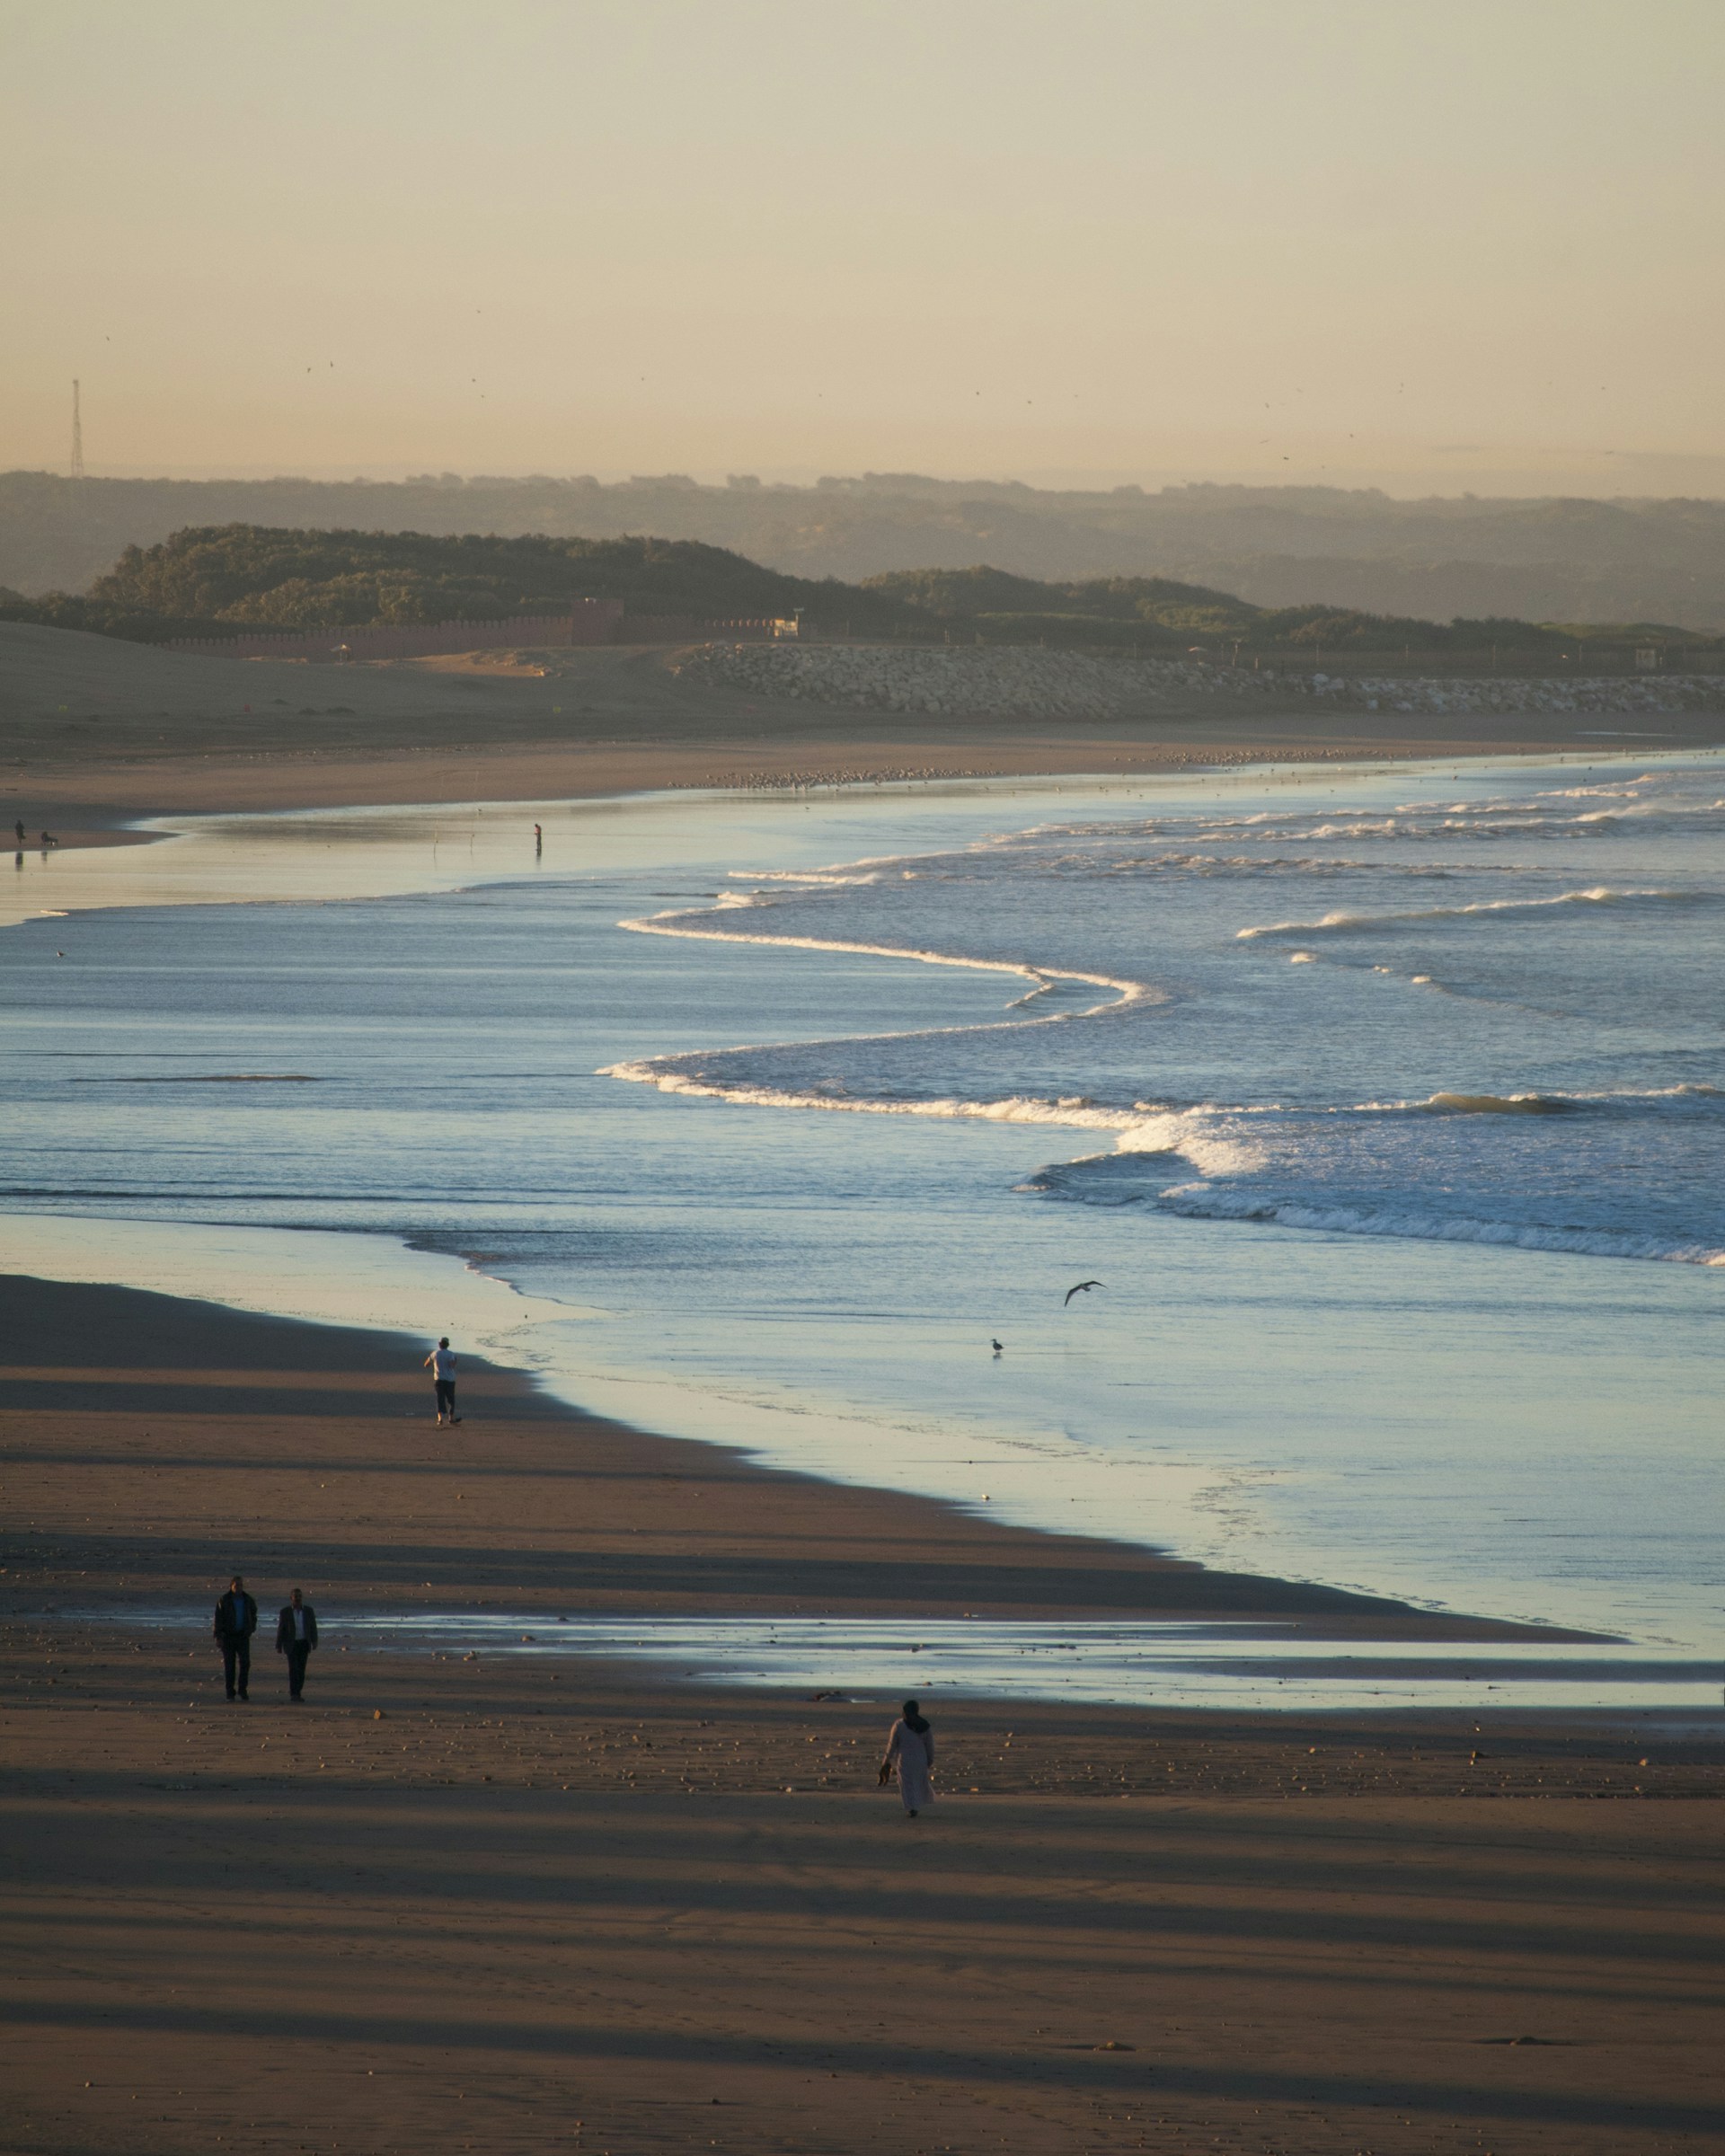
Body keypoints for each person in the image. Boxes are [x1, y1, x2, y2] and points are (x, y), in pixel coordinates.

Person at [880, 1698, 935, 1816]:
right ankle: (914, 1806)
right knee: (917, 1784)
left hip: (904, 1761)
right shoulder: (925, 1725)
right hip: (921, 1760)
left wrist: (885, 1761)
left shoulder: (899, 1725)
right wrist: (930, 1760)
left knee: (907, 1785)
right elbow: (930, 1746)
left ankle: (912, 1807)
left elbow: (892, 1745)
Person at [213, 1575, 258, 1701]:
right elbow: (218, 1619)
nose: (238, 1587)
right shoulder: (224, 1600)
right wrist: (218, 1635)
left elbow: (253, 1614)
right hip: (228, 1637)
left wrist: (251, 1628)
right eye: (236, 1585)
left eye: (240, 1585)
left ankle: (242, 1690)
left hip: (243, 1636)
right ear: (231, 1586)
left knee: (245, 1663)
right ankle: (230, 1692)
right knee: (229, 1665)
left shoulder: (248, 1599)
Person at [276, 1587, 319, 1701]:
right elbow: (281, 1629)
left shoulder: (308, 1611)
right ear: (291, 1598)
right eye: (296, 1596)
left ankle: (298, 1692)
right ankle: (294, 1693)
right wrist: (278, 1645)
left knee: (301, 1670)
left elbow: (313, 1627)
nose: (298, 1598)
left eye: (300, 1596)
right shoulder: (285, 1612)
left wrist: (314, 1641)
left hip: (304, 1643)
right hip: (291, 1644)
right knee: (293, 1669)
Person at [425, 1336, 460, 1425]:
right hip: (450, 1380)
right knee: (451, 1400)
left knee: (440, 1399)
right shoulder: (451, 1354)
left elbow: (426, 1364)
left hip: (439, 1379)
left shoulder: (435, 1353)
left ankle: (440, 1419)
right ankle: (451, 1418)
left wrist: (434, 1363)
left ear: (439, 1344)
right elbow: (452, 1365)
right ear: (447, 1344)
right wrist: (455, 1361)